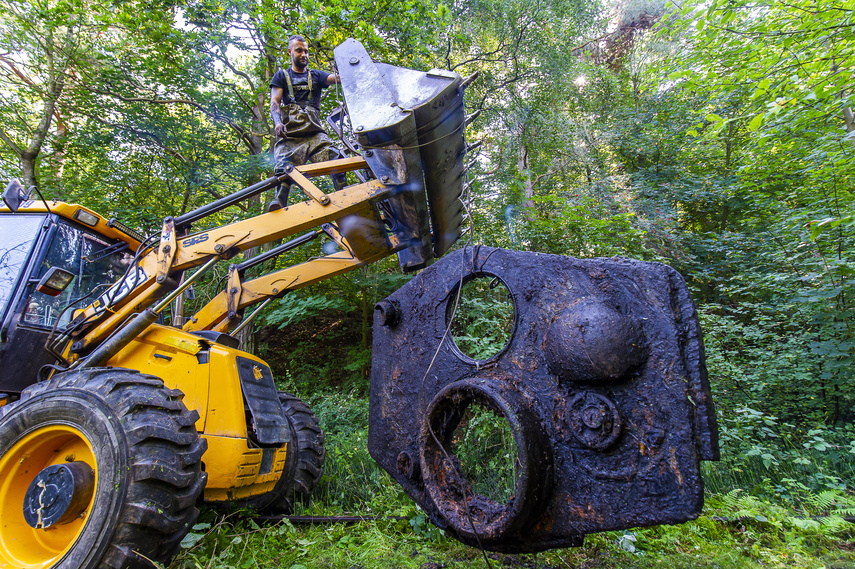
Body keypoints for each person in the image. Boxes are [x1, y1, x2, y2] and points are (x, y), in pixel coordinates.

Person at [269, 35, 346, 211]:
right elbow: (275, 101)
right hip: (291, 134)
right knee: (282, 165)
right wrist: (278, 123)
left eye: (306, 51)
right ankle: (278, 203)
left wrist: (348, 68)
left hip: (314, 133)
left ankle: (344, 194)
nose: (303, 54)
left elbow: (336, 78)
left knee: (335, 157)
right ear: (290, 52)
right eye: (299, 50)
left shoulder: (316, 75)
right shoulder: (282, 76)